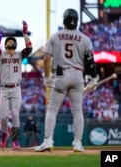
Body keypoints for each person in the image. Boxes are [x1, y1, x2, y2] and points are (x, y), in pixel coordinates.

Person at [34, 8, 97, 152]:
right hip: (77, 75)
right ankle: (78, 143)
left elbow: (46, 59)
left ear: (64, 20)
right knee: (77, 111)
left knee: (52, 110)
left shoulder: (55, 36)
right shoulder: (85, 38)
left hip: (61, 75)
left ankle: (48, 141)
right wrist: (93, 78)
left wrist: (47, 77)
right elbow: (90, 60)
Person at [0, 21, 33, 149]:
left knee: (15, 114)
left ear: (15, 44)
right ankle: (4, 134)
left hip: (16, 88)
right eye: (8, 41)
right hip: (4, 89)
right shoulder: (0, 55)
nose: (10, 42)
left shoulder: (20, 55)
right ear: (5, 44)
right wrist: (1, 34)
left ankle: (16, 139)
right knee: (4, 116)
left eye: (11, 41)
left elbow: (30, 48)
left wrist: (25, 33)